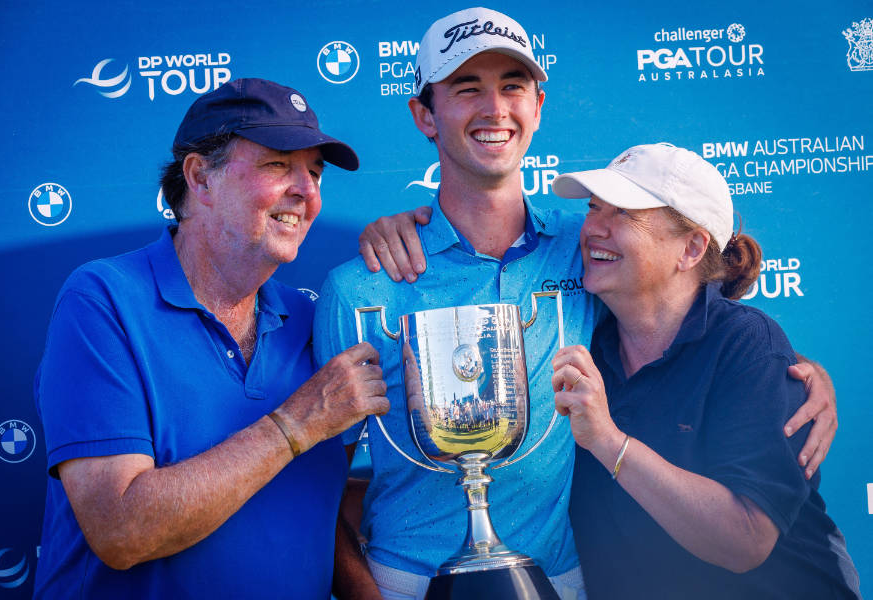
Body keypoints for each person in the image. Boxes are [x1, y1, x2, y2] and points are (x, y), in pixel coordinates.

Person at [322, 7, 839, 600]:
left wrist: (803, 378)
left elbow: (692, 302)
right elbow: (317, 489)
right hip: (404, 579)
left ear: (538, 106)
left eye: (512, 87)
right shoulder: (362, 284)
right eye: (467, 88)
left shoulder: (586, 248)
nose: (494, 109)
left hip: (560, 578)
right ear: (424, 115)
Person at [33, 78, 388, 599]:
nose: (308, 192)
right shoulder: (104, 300)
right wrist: (295, 424)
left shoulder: (313, 317)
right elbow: (121, 530)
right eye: (278, 164)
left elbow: (313, 501)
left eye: (315, 172)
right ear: (200, 177)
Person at [550, 142, 860, 598]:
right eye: (594, 208)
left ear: (692, 248)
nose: (594, 228)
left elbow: (746, 539)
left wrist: (609, 442)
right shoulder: (580, 337)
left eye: (624, 214)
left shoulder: (750, 347)